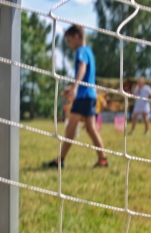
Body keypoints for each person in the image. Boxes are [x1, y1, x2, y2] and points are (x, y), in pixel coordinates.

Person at [43, 25, 108, 168]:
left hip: (83, 96)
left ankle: (59, 161)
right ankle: (102, 160)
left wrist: (76, 88)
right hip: (90, 95)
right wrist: (72, 88)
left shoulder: (81, 51)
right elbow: (88, 77)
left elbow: (83, 68)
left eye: (68, 40)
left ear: (76, 37)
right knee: (91, 129)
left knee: (70, 129)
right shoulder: (89, 51)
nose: (68, 43)